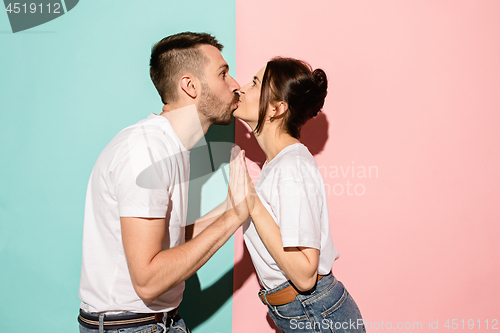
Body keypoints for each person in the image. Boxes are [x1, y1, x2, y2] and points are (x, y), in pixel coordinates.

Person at [78, 32, 249, 333]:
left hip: (154, 323)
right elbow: (148, 281)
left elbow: (169, 239)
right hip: (130, 327)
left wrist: (230, 207)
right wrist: (234, 218)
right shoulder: (147, 152)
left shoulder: (168, 145)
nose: (235, 84)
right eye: (223, 74)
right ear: (190, 86)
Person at [234, 57, 366, 332]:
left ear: (276, 108)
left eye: (255, 83)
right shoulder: (277, 164)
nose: (241, 88)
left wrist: (252, 205)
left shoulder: (292, 166)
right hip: (303, 312)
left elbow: (305, 276)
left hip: (316, 314)